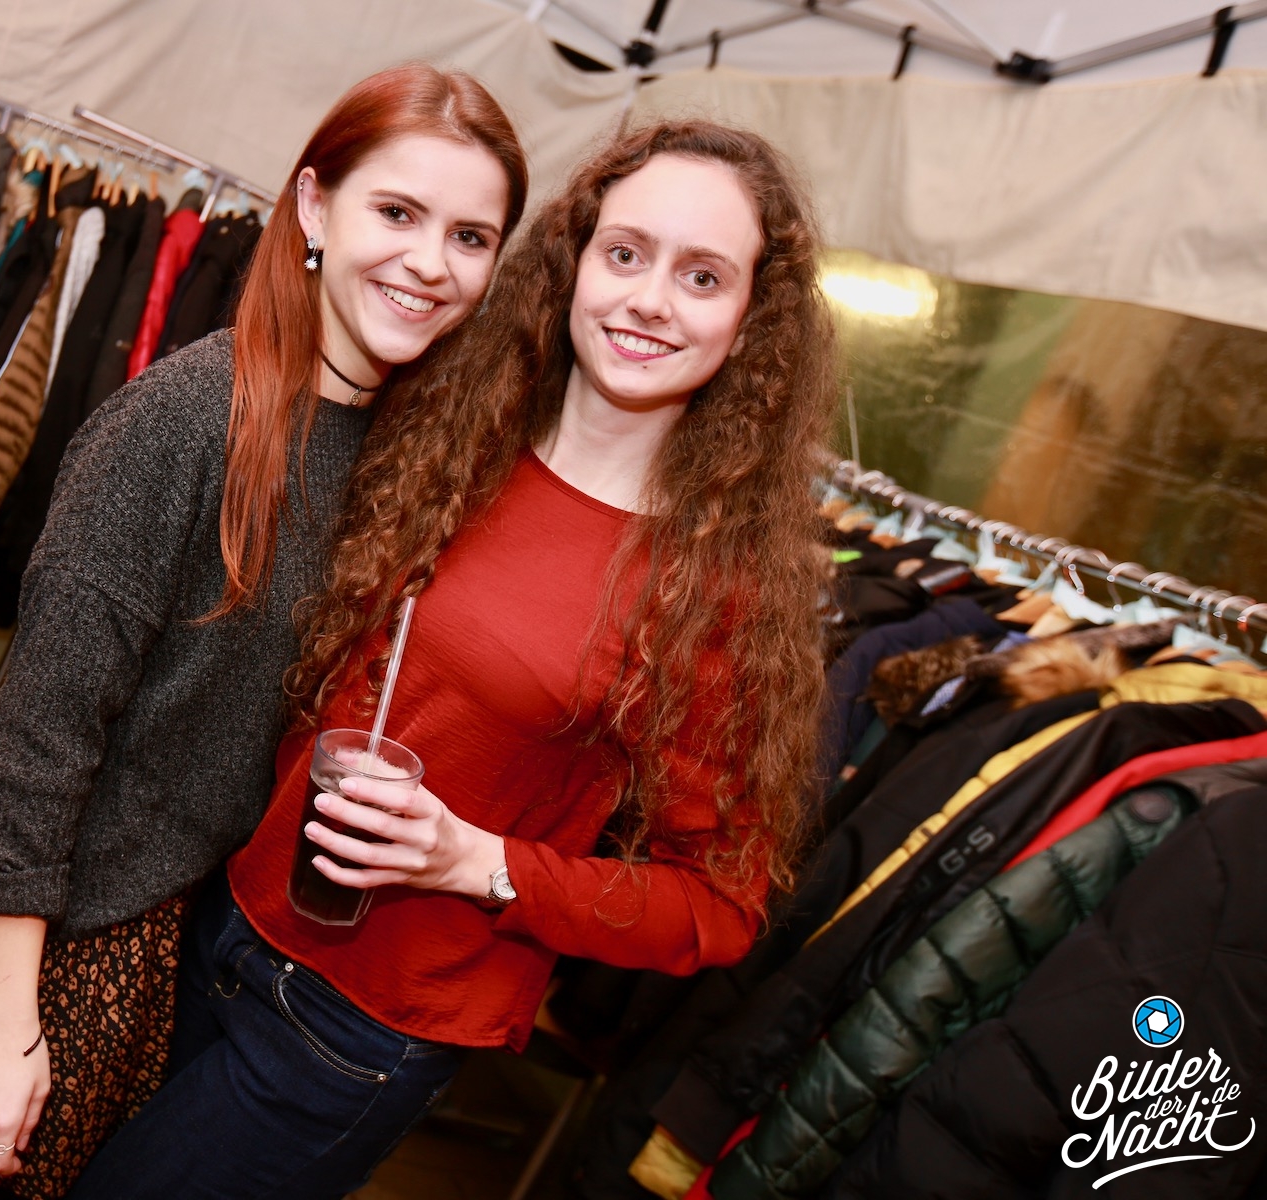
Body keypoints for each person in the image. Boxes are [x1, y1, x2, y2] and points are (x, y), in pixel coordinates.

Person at [69, 118, 838, 1198]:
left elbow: (717, 908)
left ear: (752, 319)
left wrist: (475, 862)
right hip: (222, 919)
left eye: (702, 276)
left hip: (352, 1032)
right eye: (626, 253)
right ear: (573, 262)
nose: (650, 300)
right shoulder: (446, 432)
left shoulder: (715, 593)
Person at [0, 65, 527, 1198]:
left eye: (471, 237)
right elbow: (41, 727)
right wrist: (3, 1017)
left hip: (206, 944)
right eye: (398, 212)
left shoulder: (399, 452)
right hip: (76, 938)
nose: (430, 262)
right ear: (315, 206)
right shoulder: (183, 420)